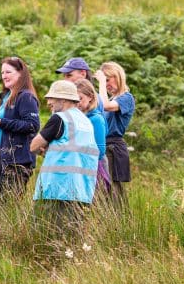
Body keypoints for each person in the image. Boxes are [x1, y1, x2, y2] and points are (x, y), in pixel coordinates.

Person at [30, 80, 99, 236]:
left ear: (63, 100)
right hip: (82, 192)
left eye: (52, 98)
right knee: (71, 240)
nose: (48, 102)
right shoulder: (86, 122)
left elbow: (33, 146)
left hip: (56, 191)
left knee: (45, 237)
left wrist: (43, 148)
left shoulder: (60, 119)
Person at [0, 56, 40, 197]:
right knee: (2, 205)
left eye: (8, 72)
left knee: (10, 207)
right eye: (2, 73)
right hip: (3, 159)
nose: (4, 76)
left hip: (18, 162)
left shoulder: (26, 97)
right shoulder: (6, 96)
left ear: (20, 73)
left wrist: (2, 122)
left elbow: (32, 125)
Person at [95, 61, 135, 202]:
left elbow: (105, 106)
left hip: (114, 147)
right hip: (104, 145)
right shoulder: (113, 98)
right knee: (103, 190)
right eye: (104, 82)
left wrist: (100, 82)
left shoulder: (127, 98)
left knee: (113, 192)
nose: (106, 85)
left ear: (117, 76)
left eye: (108, 80)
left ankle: (120, 222)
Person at [75, 78, 111, 194]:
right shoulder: (77, 117)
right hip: (82, 167)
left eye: (80, 98)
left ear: (90, 97)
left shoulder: (96, 119)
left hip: (96, 168)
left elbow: (100, 151)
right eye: (74, 100)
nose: (77, 103)